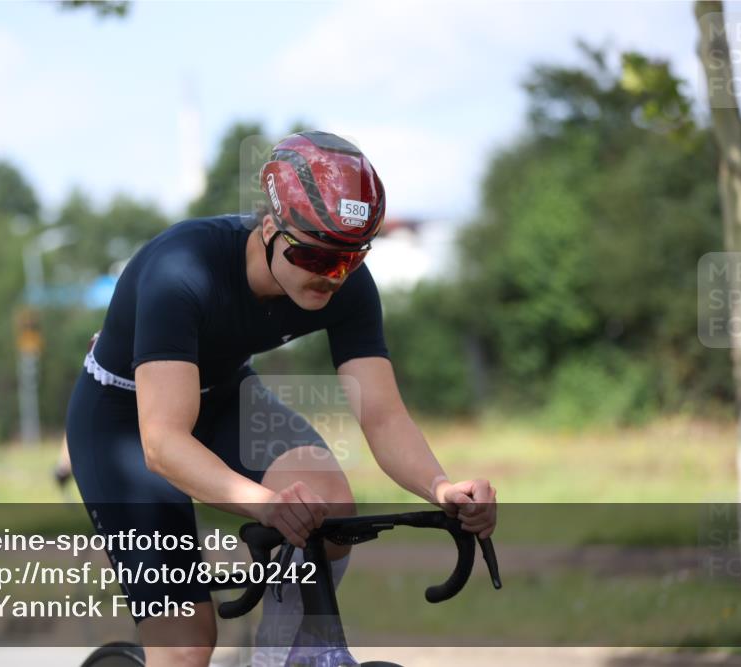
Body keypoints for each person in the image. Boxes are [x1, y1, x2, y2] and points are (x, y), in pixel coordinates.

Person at [65, 130, 497, 667]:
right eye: (314, 256)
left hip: (223, 396)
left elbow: (383, 417)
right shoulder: (182, 269)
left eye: (350, 259)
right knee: (185, 646)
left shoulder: (346, 282)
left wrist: (442, 487)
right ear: (270, 229)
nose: (331, 277)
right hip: (124, 421)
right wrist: (265, 503)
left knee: (327, 506)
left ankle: (280, 658)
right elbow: (163, 442)